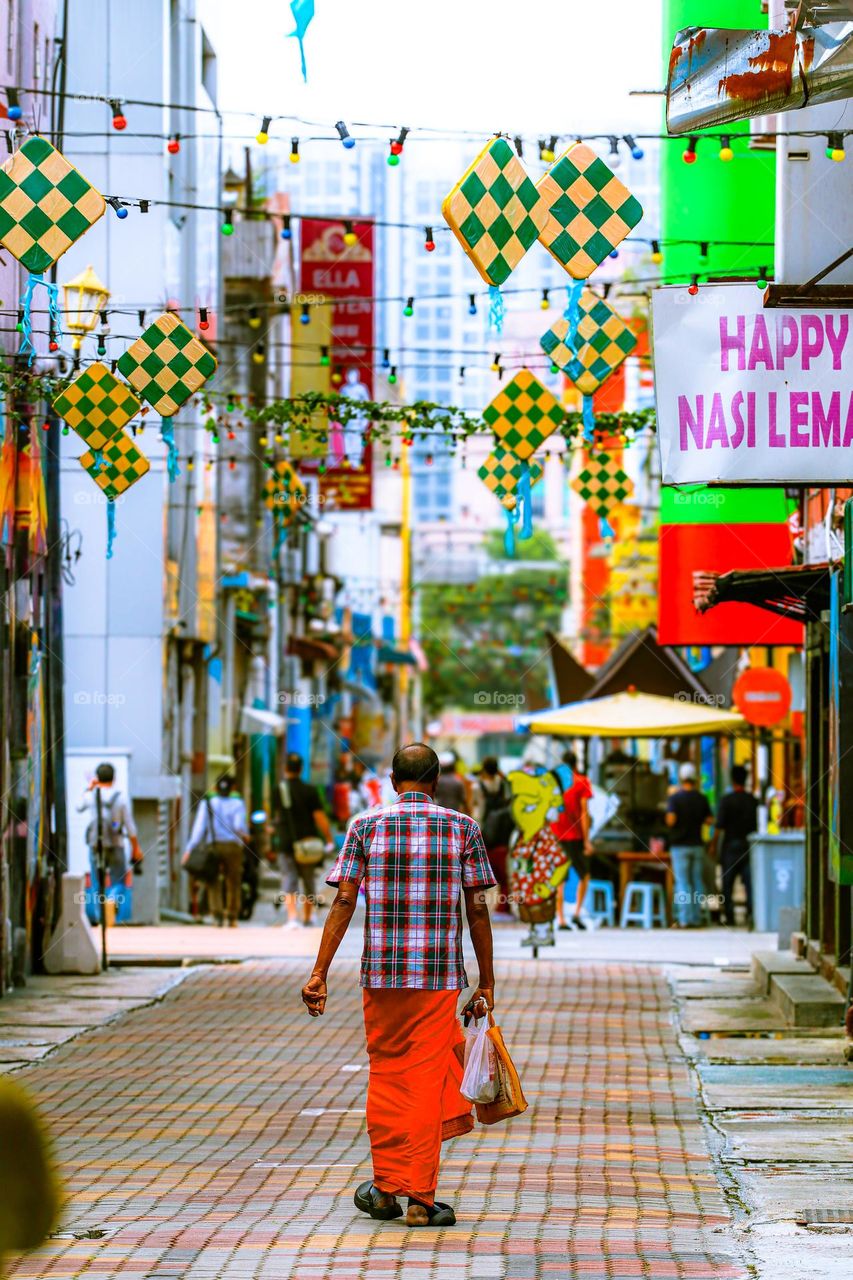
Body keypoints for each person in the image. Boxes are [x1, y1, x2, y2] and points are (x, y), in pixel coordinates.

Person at [301, 743, 496, 1228]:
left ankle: (387, 1188)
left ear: (393, 782)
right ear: (434, 781)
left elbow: (344, 900)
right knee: (426, 1081)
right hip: (435, 978)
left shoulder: (366, 827)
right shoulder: (462, 828)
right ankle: (420, 1199)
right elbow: (477, 908)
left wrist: (319, 971)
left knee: (386, 1076)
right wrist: (487, 981)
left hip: (382, 977)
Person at [276, 752, 335, 928]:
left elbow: (275, 816)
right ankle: (308, 917)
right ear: (301, 769)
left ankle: (292, 918)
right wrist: (329, 838)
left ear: (285, 768)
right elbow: (319, 816)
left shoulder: (278, 790)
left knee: (289, 878)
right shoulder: (310, 791)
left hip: (286, 842)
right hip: (308, 844)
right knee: (308, 880)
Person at [78, 763, 141, 920]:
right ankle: (112, 898)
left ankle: (101, 918)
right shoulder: (121, 798)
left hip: (95, 845)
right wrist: (135, 847)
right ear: (114, 778)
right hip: (116, 844)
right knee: (118, 880)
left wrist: (90, 787)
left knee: (96, 883)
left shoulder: (92, 796)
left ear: (97, 778)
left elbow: (78, 807)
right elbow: (130, 826)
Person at [184, 775, 248, 927]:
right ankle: (232, 916)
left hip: (214, 845)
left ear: (215, 788)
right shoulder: (238, 803)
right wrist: (246, 836)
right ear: (233, 788)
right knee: (233, 881)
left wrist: (190, 848)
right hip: (233, 846)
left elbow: (199, 828)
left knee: (212, 879)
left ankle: (217, 915)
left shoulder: (208, 803)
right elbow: (239, 826)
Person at [550, 750, 594, 930]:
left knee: (560, 877)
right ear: (577, 765)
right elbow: (584, 812)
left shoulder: (554, 784)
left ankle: (560, 918)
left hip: (556, 835)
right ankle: (576, 912)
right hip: (575, 836)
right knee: (585, 875)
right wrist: (587, 840)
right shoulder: (582, 782)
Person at [666, 763, 713, 928]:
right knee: (696, 881)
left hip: (679, 846)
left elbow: (670, 820)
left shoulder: (675, 798)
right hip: (697, 845)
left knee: (683, 882)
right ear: (694, 779)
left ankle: (685, 919)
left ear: (681, 778)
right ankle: (696, 917)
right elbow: (709, 820)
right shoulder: (701, 798)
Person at [715, 765, 759, 927]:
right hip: (749, 846)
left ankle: (729, 916)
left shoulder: (726, 801)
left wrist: (713, 845)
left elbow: (719, 827)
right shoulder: (753, 800)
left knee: (727, 884)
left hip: (730, 846)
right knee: (749, 882)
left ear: (732, 779)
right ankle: (751, 914)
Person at [475, 757, 513, 919]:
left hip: (486, 835)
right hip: (503, 833)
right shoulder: (504, 785)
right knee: (503, 874)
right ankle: (504, 908)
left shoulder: (478, 786)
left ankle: (479, 908)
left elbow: (479, 811)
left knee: (482, 875)